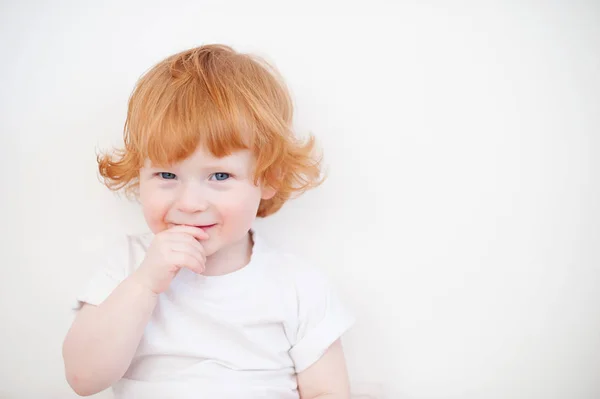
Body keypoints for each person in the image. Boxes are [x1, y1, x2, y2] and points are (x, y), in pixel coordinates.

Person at [62, 44, 355, 399]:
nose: (190, 203)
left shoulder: (297, 286)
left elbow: (328, 392)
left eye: (219, 176)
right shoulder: (127, 266)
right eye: (167, 174)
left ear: (269, 178)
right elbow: (83, 378)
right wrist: (144, 285)